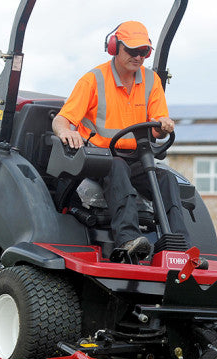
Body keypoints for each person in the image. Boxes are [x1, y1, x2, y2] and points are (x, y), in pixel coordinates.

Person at [52, 20, 192, 260]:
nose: (138, 57)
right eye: (132, 50)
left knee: (167, 179)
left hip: (138, 158)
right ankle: (128, 239)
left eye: (144, 52)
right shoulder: (93, 80)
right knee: (117, 167)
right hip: (100, 159)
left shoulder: (151, 81)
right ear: (115, 47)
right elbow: (61, 121)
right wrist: (67, 132)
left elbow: (156, 127)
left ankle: (179, 248)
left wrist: (164, 127)